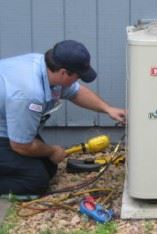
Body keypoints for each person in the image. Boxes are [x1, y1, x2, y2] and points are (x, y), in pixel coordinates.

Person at [0, 40, 126, 195]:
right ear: (64, 73)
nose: (78, 80)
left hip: (8, 126)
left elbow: (76, 92)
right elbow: (21, 145)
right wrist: (52, 150)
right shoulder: (29, 94)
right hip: (8, 135)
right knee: (34, 180)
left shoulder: (46, 68)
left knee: (49, 167)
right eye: (78, 76)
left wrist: (108, 109)